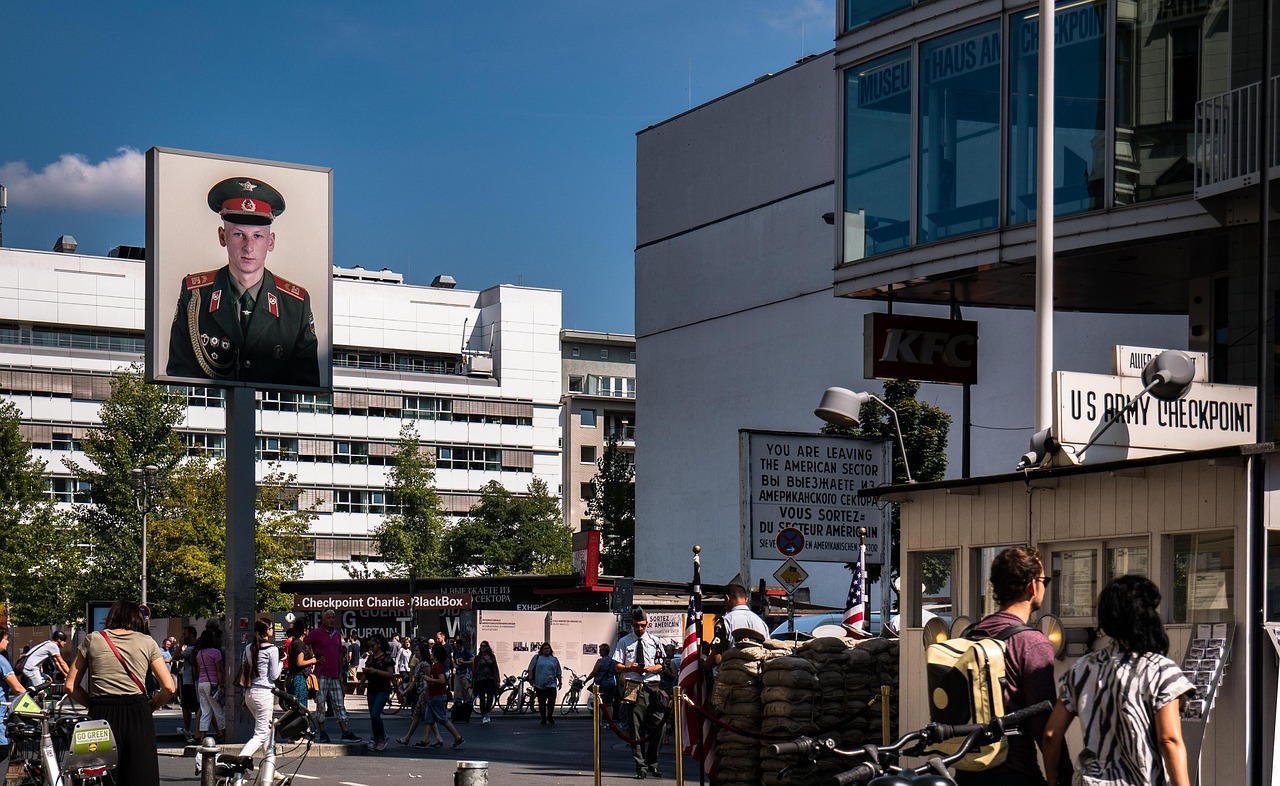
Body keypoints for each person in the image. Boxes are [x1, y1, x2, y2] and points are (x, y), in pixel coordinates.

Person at [1043, 576, 1196, 786]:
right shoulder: (1160, 671)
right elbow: (1168, 739)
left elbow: (1051, 734)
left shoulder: (1083, 668)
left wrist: (1052, 780)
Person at [167, 176, 319, 386]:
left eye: (258, 236)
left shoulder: (295, 305)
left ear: (271, 241)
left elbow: (306, 387)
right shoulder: (195, 295)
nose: (249, 247)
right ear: (222, 237)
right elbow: (179, 377)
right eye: (239, 234)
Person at [955, 547, 1062, 786]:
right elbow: (1044, 726)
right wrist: (1061, 778)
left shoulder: (970, 634)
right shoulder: (1031, 642)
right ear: (1032, 586)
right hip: (1015, 773)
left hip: (966, 768)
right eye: (1045, 580)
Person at [65, 600, 175, 786]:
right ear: (137, 619)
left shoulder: (93, 639)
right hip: (138, 713)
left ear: (111, 617)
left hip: (101, 714)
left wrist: (93, 705)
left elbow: (70, 686)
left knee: (100, 777)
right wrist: (151, 707)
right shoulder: (147, 642)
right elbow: (169, 687)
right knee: (140, 776)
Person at [615, 607, 667, 779]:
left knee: (660, 726)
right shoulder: (624, 641)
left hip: (652, 686)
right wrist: (631, 668)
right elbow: (617, 665)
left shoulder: (655, 641)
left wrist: (652, 668)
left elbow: (662, 663)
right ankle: (641, 766)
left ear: (647, 624)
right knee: (635, 729)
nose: (639, 629)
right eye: (636, 625)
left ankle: (653, 763)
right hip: (633, 685)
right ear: (632, 624)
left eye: (643, 625)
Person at [305, 608, 361, 743]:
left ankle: (345, 731)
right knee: (320, 703)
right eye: (328, 617)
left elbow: (339, 654)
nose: (331, 620)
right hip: (321, 674)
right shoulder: (317, 633)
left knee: (339, 703)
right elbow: (304, 643)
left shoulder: (337, 634)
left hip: (335, 674)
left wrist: (341, 673)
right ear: (323, 619)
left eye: (333, 618)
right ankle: (322, 732)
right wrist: (314, 657)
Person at [238, 620, 283, 761]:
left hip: (250, 693)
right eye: (271, 628)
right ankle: (237, 763)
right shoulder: (272, 649)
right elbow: (274, 675)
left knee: (267, 731)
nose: (272, 630)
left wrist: (244, 696)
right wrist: (282, 662)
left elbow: (247, 672)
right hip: (264, 693)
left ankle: (269, 767)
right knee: (261, 734)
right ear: (267, 631)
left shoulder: (249, 648)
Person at [415, 644, 465, 749]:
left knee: (442, 718)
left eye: (432, 652)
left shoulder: (437, 666)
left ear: (435, 655)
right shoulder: (435, 665)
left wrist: (429, 679)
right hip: (434, 696)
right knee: (428, 718)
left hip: (437, 696)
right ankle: (425, 740)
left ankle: (458, 736)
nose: (431, 654)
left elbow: (442, 680)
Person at [0, 626, 29, 777]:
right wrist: (33, 704)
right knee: (3, 754)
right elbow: (18, 688)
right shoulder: (1, 661)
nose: (8, 642)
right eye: (5, 639)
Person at [398, 641, 438, 745]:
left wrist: (428, 694)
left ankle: (407, 738)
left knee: (417, 716)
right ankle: (438, 737)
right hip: (421, 691)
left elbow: (429, 679)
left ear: (422, 652)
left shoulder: (424, 664)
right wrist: (406, 691)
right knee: (428, 716)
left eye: (416, 650)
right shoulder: (419, 663)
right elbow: (413, 681)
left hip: (424, 692)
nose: (415, 652)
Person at [362, 634, 396, 752]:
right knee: (372, 715)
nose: (370, 648)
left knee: (376, 714)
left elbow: (390, 674)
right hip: (372, 689)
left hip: (383, 689)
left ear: (379, 645)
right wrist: (362, 681)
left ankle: (382, 737)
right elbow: (366, 672)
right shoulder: (371, 658)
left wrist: (375, 671)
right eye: (369, 646)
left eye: (372, 646)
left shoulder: (386, 658)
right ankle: (376, 737)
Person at [192, 629, 225, 741]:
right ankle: (224, 733)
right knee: (218, 709)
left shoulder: (199, 654)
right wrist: (222, 685)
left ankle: (202, 736)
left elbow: (198, 669)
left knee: (205, 710)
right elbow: (219, 670)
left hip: (201, 683)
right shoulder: (216, 652)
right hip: (212, 683)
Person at [526, 642, 563, 726]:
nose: (547, 650)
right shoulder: (537, 658)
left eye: (548, 648)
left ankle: (549, 716)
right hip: (540, 684)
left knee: (551, 701)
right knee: (541, 702)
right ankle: (543, 718)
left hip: (551, 683)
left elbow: (558, 671)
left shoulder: (554, 659)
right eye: (545, 648)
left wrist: (560, 682)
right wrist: (531, 679)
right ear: (542, 650)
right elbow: (531, 668)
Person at [285, 618, 316, 714]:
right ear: (304, 630)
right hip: (299, 678)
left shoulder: (294, 642)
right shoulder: (300, 644)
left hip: (293, 677)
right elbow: (300, 662)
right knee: (301, 708)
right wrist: (313, 660)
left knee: (296, 708)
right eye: (308, 628)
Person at [175, 626, 200, 741]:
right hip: (194, 680)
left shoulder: (190, 649)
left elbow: (175, 657)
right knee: (195, 707)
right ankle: (196, 731)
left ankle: (188, 730)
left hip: (189, 681)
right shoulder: (195, 648)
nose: (183, 636)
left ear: (191, 635)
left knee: (187, 707)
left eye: (185, 634)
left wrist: (180, 645)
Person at [584, 642, 619, 723]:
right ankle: (610, 723)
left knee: (600, 704)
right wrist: (617, 684)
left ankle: (599, 722)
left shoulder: (600, 661)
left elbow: (594, 672)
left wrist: (586, 680)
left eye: (600, 650)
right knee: (609, 704)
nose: (599, 652)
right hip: (611, 683)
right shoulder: (613, 662)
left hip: (602, 684)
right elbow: (617, 673)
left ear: (604, 651)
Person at [472, 640, 501, 724]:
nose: (483, 648)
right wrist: (473, 681)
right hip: (480, 679)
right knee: (482, 698)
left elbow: (495, 668)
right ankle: (484, 715)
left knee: (490, 698)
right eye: (481, 646)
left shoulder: (492, 657)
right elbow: (475, 670)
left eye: (484, 646)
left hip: (490, 679)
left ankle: (486, 712)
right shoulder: (478, 658)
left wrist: (497, 680)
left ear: (488, 647)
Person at [453, 634, 475, 706]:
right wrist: (454, 666)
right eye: (456, 646)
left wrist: (463, 662)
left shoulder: (466, 652)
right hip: (458, 672)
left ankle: (468, 702)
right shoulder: (455, 652)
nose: (457, 648)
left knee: (467, 688)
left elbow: (472, 661)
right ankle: (457, 703)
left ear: (461, 646)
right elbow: (453, 660)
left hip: (465, 672)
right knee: (457, 689)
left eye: (458, 646)